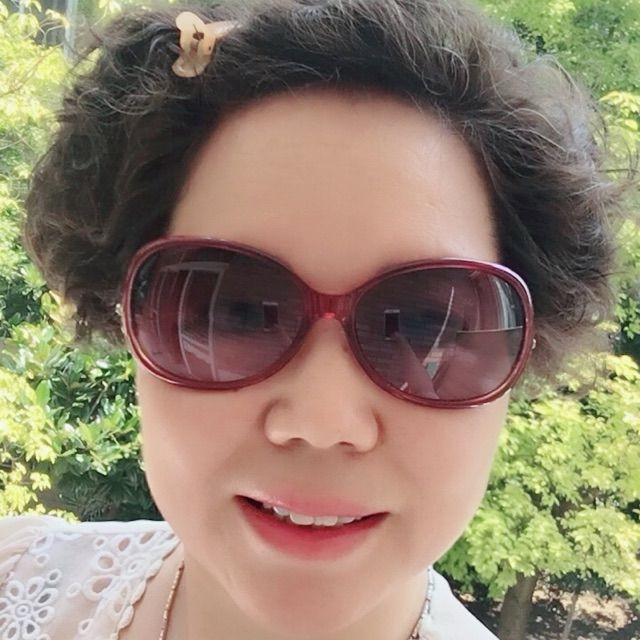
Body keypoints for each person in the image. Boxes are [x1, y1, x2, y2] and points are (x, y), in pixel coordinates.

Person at [0, 0, 622, 638]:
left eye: (422, 324)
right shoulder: (15, 578)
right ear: (124, 310)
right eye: (235, 313)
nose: (323, 423)